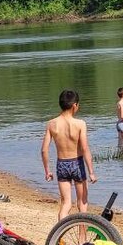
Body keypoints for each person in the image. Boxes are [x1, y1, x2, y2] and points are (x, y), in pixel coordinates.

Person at [41, 89, 97, 222]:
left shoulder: (51, 124)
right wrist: (91, 172)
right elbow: (85, 148)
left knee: (66, 204)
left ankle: (60, 233)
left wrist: (47, 171)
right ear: (74, 105)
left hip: (62, 164)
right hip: (77, 163)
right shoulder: (80, 124)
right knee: (82, 203)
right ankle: (82, 235)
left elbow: (44, 150)